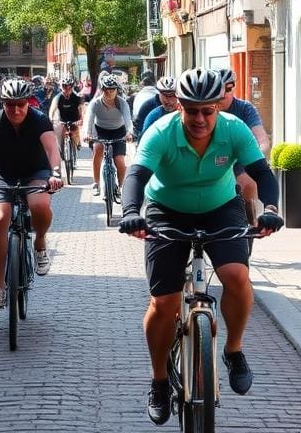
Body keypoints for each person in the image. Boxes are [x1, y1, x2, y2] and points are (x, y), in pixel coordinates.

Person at [118, 68, 284, 425]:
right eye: (192, 110)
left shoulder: (233, 129)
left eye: (207, 111)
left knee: (237, 276)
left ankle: (234, 350)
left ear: (218, 107)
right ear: (179, 105)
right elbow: (136, 175)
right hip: (167, 210)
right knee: (163, 302)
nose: (200, 119)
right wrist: (132, 212)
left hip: (220, 208)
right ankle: (159, 380)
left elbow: (262, 173)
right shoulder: (161, 132)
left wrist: (270, 210)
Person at [0, 78, 63, 309]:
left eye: (20, 104)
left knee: (39, 204)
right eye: (10, 104)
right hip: (4, 175)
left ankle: (40, 242)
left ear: (28, 102)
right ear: (2, 103)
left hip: (36, 172)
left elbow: (52, 147)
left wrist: (57, 172)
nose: (16, 109)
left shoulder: (39, 119)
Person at [217, 68, 271, 226]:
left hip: (238, 160)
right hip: (213, 158)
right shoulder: (208, 108)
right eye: (218, 90)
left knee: (248, 184)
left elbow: (263, 140)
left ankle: (251, 224)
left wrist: (255, 157)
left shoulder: (245, 108)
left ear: (233, 88)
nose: (222, 95)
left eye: (228, 89)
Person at [83, 73, 133, 199]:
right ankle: (96, 183)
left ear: (117, 90)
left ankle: (122, 187)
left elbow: (128, 119)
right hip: (100, 130)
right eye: (107, 89)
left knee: (119, 160)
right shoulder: (95, 103)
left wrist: (129, 132)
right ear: (102, 89)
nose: (110, 92)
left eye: (113, 89)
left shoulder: (122, 103)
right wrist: (87, 133)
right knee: (98, 149)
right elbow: (88, 119)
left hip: (119, 131)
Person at [48, 75, 84, 156]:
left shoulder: (77, 98)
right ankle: (61, 150)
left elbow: (81, 110)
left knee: (75, 132)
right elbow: (52, 111)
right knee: (58, 133)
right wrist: (51, 120)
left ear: (72, 87)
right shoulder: (57, 98)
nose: (67, 90)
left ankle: (77, 144)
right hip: (62, 119)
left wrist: (81, 119)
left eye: (69, 87)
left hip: (74, 119)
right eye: (64, 87)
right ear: (61, 87)